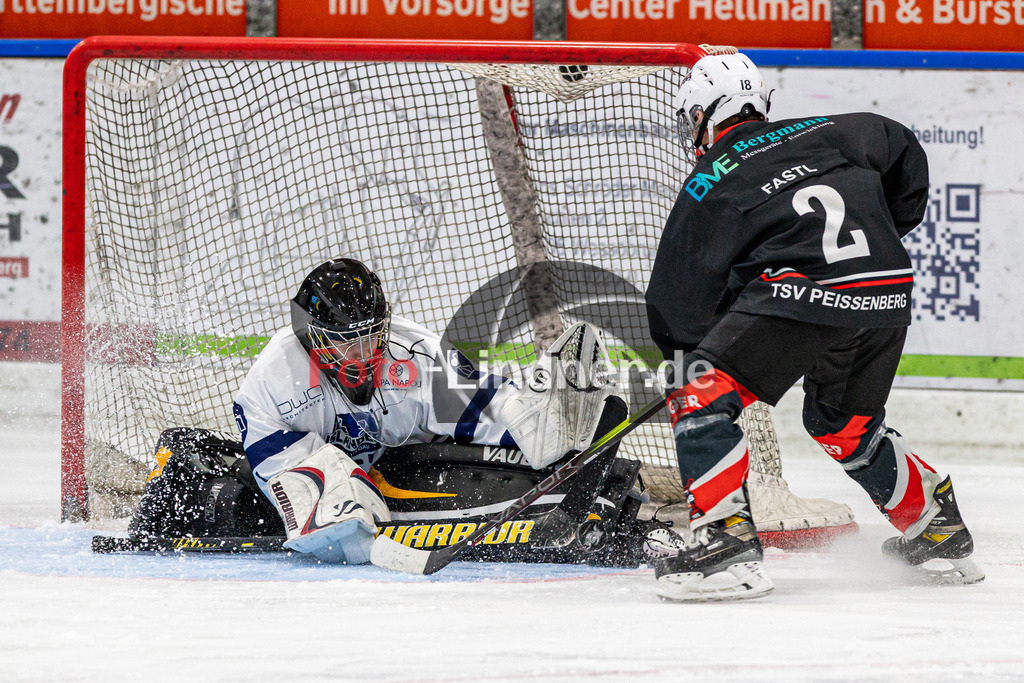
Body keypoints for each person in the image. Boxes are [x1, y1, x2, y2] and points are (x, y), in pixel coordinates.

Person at [644, 52, 983, 601]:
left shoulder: (710, 179)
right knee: (841, 423)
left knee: (698, 387)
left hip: (802, 291)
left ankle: (722, 548)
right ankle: (936, 528)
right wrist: (884, 233)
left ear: (704, 116)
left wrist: (693, 362)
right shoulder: (840, 128)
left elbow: (676, 304)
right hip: (886, 285)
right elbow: (903, 151)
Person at [233, 257, 616, 564]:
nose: (364, 356)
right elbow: (304, 501)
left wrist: (539, 423)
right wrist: (352, 540)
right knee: (336, 495)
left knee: (523, 440)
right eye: (346, 343)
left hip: (404, 464)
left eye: (372, 338)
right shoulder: (273, 381)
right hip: (327, 478)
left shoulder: (415, 354)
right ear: (311, 336)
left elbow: (488, 408)